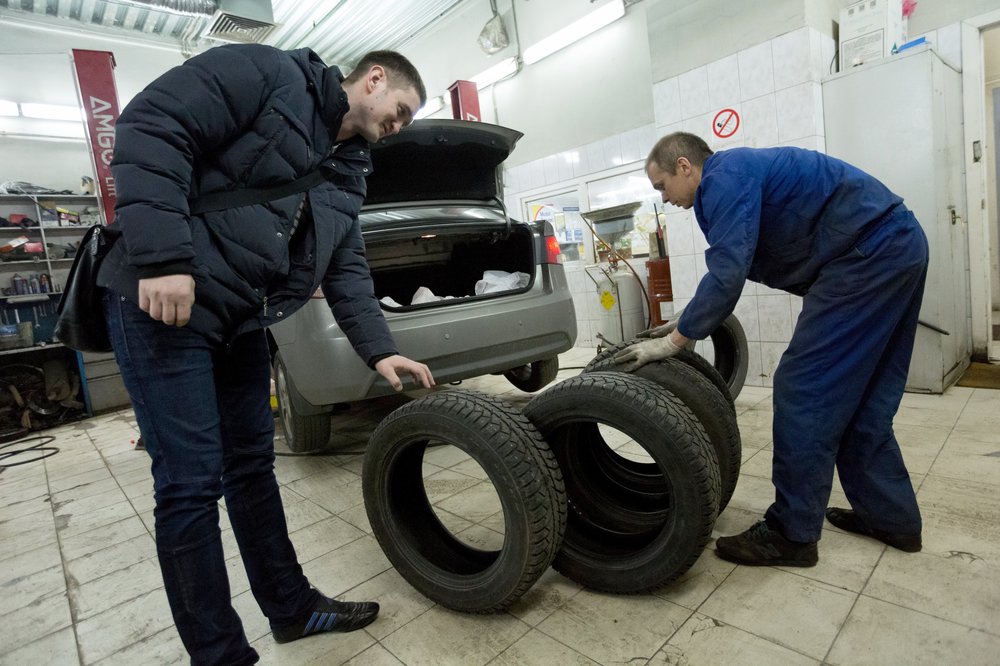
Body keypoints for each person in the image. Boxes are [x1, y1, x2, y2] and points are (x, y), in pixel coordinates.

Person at [97, 44, 435, 664]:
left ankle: (292, 609)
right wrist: (164, 258)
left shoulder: (350, 169)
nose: (400, 125)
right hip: (166, 306)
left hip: (240, 320)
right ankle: (221, 654)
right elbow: (152, 123)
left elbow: (346, 265)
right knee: (190, 485)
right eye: (403, 111)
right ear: (375, 79)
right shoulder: (271, 74)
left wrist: (379, 352)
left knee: (251, 470)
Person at [615, 132, 926, 567]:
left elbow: (728, 272)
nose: (664, 199)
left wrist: (673, 343)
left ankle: (791, 534)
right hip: (897, 244)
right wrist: (686, 322)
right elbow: (733, 263)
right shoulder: (738, 175)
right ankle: (892, 519)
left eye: (661, 186)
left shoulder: (724, 177)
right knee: (865, 400)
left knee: (804, 387)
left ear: (684, 166)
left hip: (865, 255)